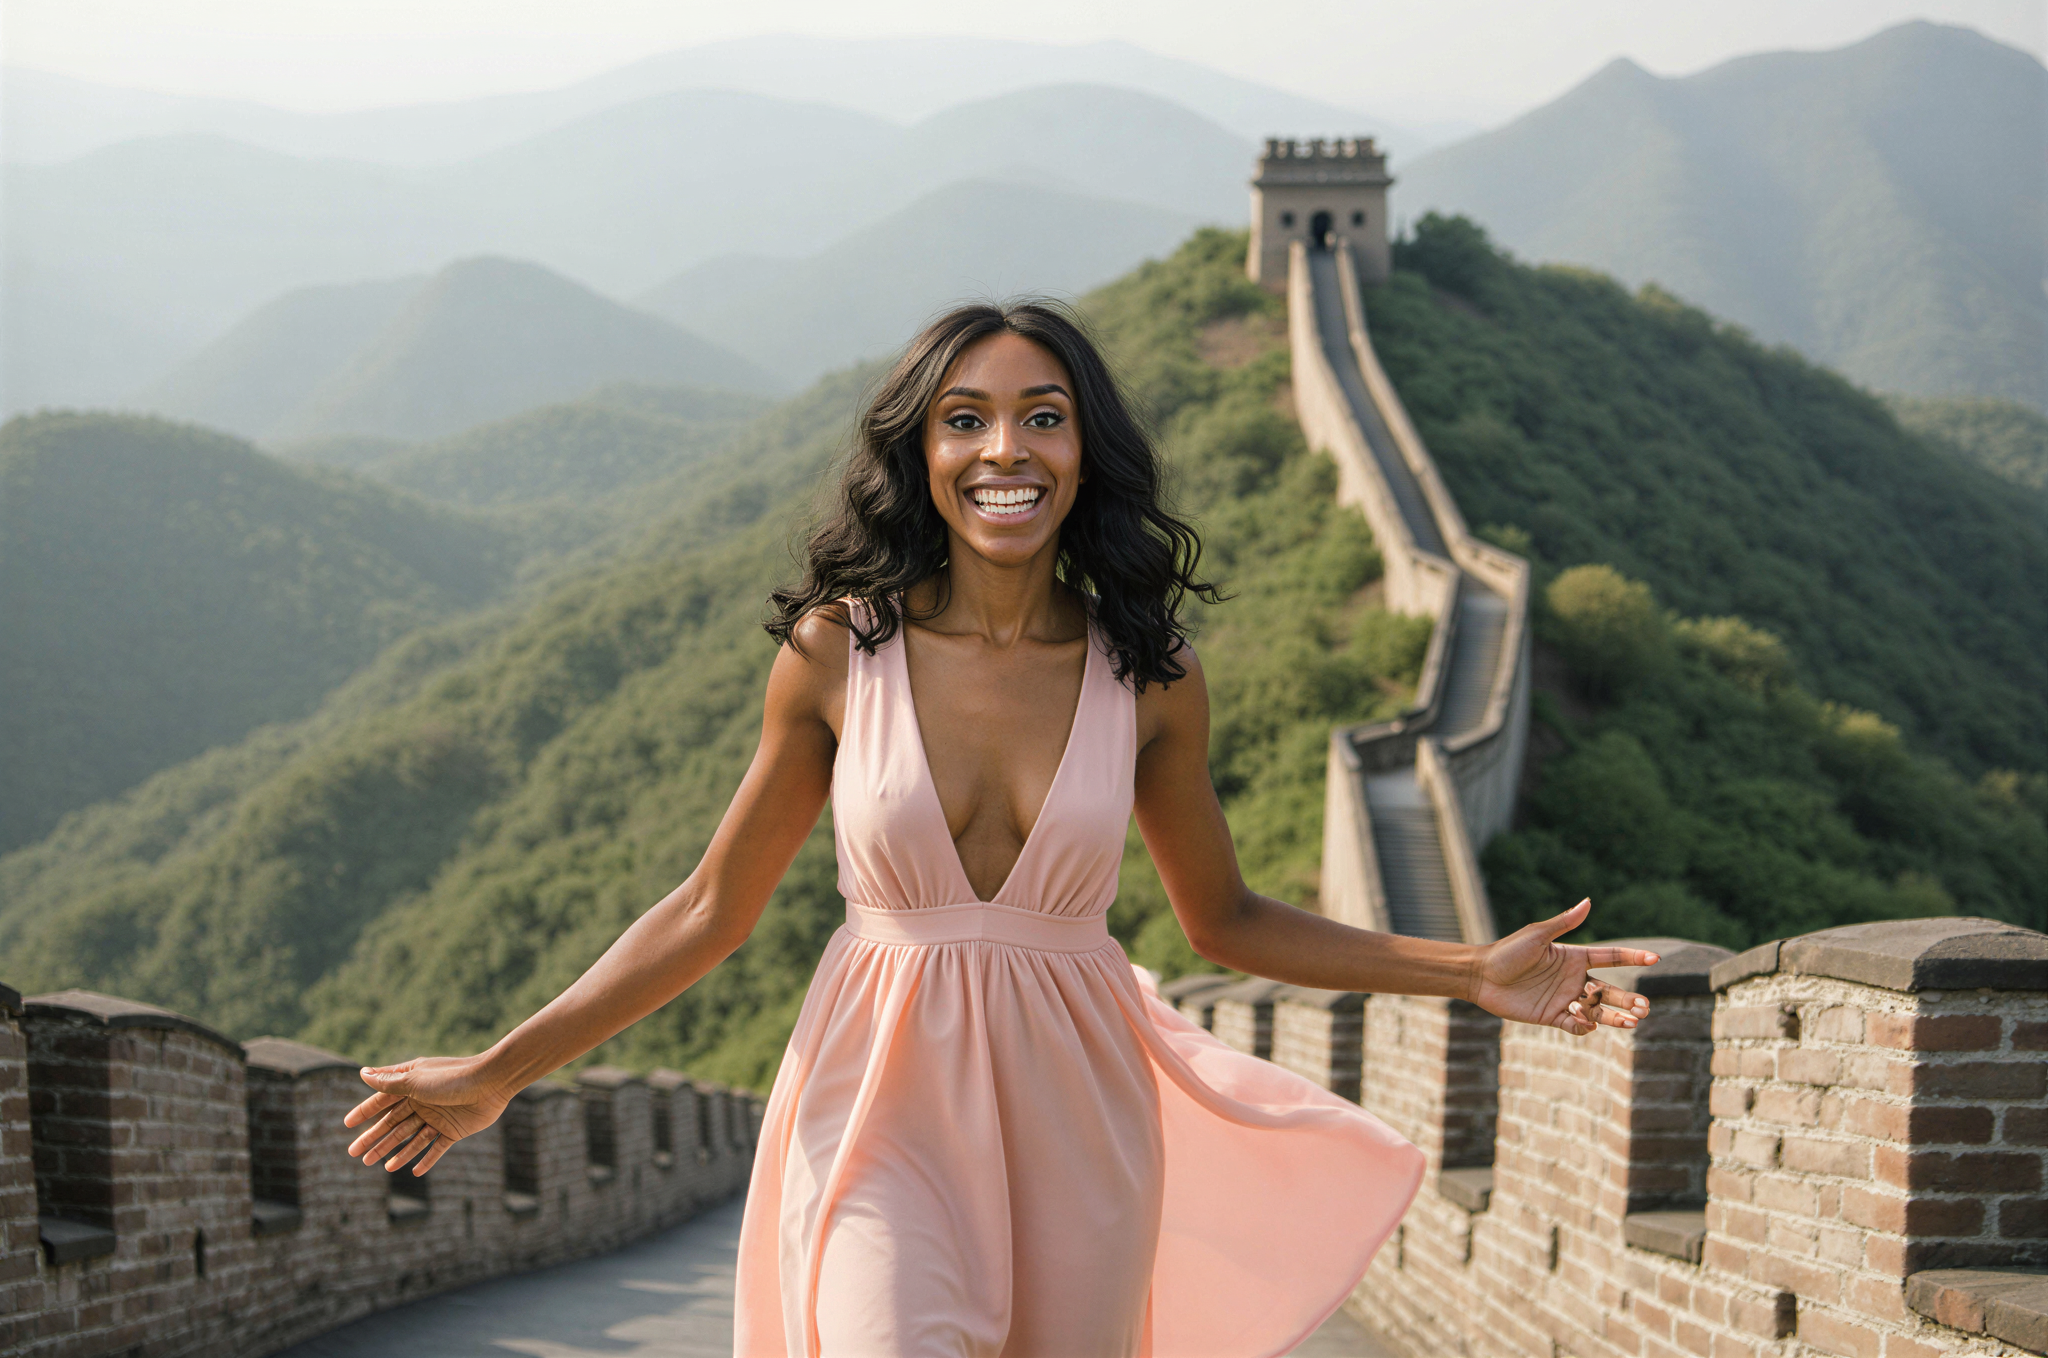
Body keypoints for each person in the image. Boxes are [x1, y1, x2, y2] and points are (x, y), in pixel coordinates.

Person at [343, 300, 1658, 1358]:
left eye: (1044, 418)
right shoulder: (833, 655)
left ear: (1086, 453)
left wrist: (1468, 970)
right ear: (922, 453)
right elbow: (709, 908)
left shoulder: (1151, 675)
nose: (1004, 451)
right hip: (876, 1102)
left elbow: (1228, 919)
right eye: (965, 420)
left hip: (1080, 1115)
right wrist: (501, 1070)